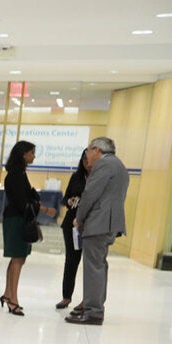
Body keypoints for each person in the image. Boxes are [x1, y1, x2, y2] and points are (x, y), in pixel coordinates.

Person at [67, 137, 128, 325]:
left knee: (93, 267)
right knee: (99, 266)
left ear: (96, 150)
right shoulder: (119, 166)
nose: (86, 155)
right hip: (109, 223)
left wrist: (80, 218)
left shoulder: (103, 165)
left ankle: (93, 311)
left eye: (87, 151)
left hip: (98, 223)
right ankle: (94, 307)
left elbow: (90, 194)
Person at [0, 140, 54, 315]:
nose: (33, 156)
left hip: (17, 219)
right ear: (24, 154)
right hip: (16, 219)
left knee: (18, 258)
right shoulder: (15, 175)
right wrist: (44, 209)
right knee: (17, 259)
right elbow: (22, 203)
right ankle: (13, 300)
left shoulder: (19, 173)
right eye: (32, 153)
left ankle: (8, 294)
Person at [56, 149, 89, 309]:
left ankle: (87, 300)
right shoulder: (76, 176)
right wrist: (69, 201)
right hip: (72, 224)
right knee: (71, 260)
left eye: (89, 160)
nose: (87, 164)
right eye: (84, 160)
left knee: (91, 263)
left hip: (90, 224)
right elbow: (64, 198)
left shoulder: (99, 178)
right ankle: (66, 296)